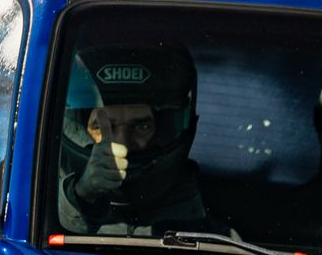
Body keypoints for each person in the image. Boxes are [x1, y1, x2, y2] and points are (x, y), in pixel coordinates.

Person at [57, 44, 215, 235]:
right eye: (102, 126)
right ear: (78, 129)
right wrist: (82, 195)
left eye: (142, 127)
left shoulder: (221, 238)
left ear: (165, 130)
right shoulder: (36, 203)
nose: (122, 144)